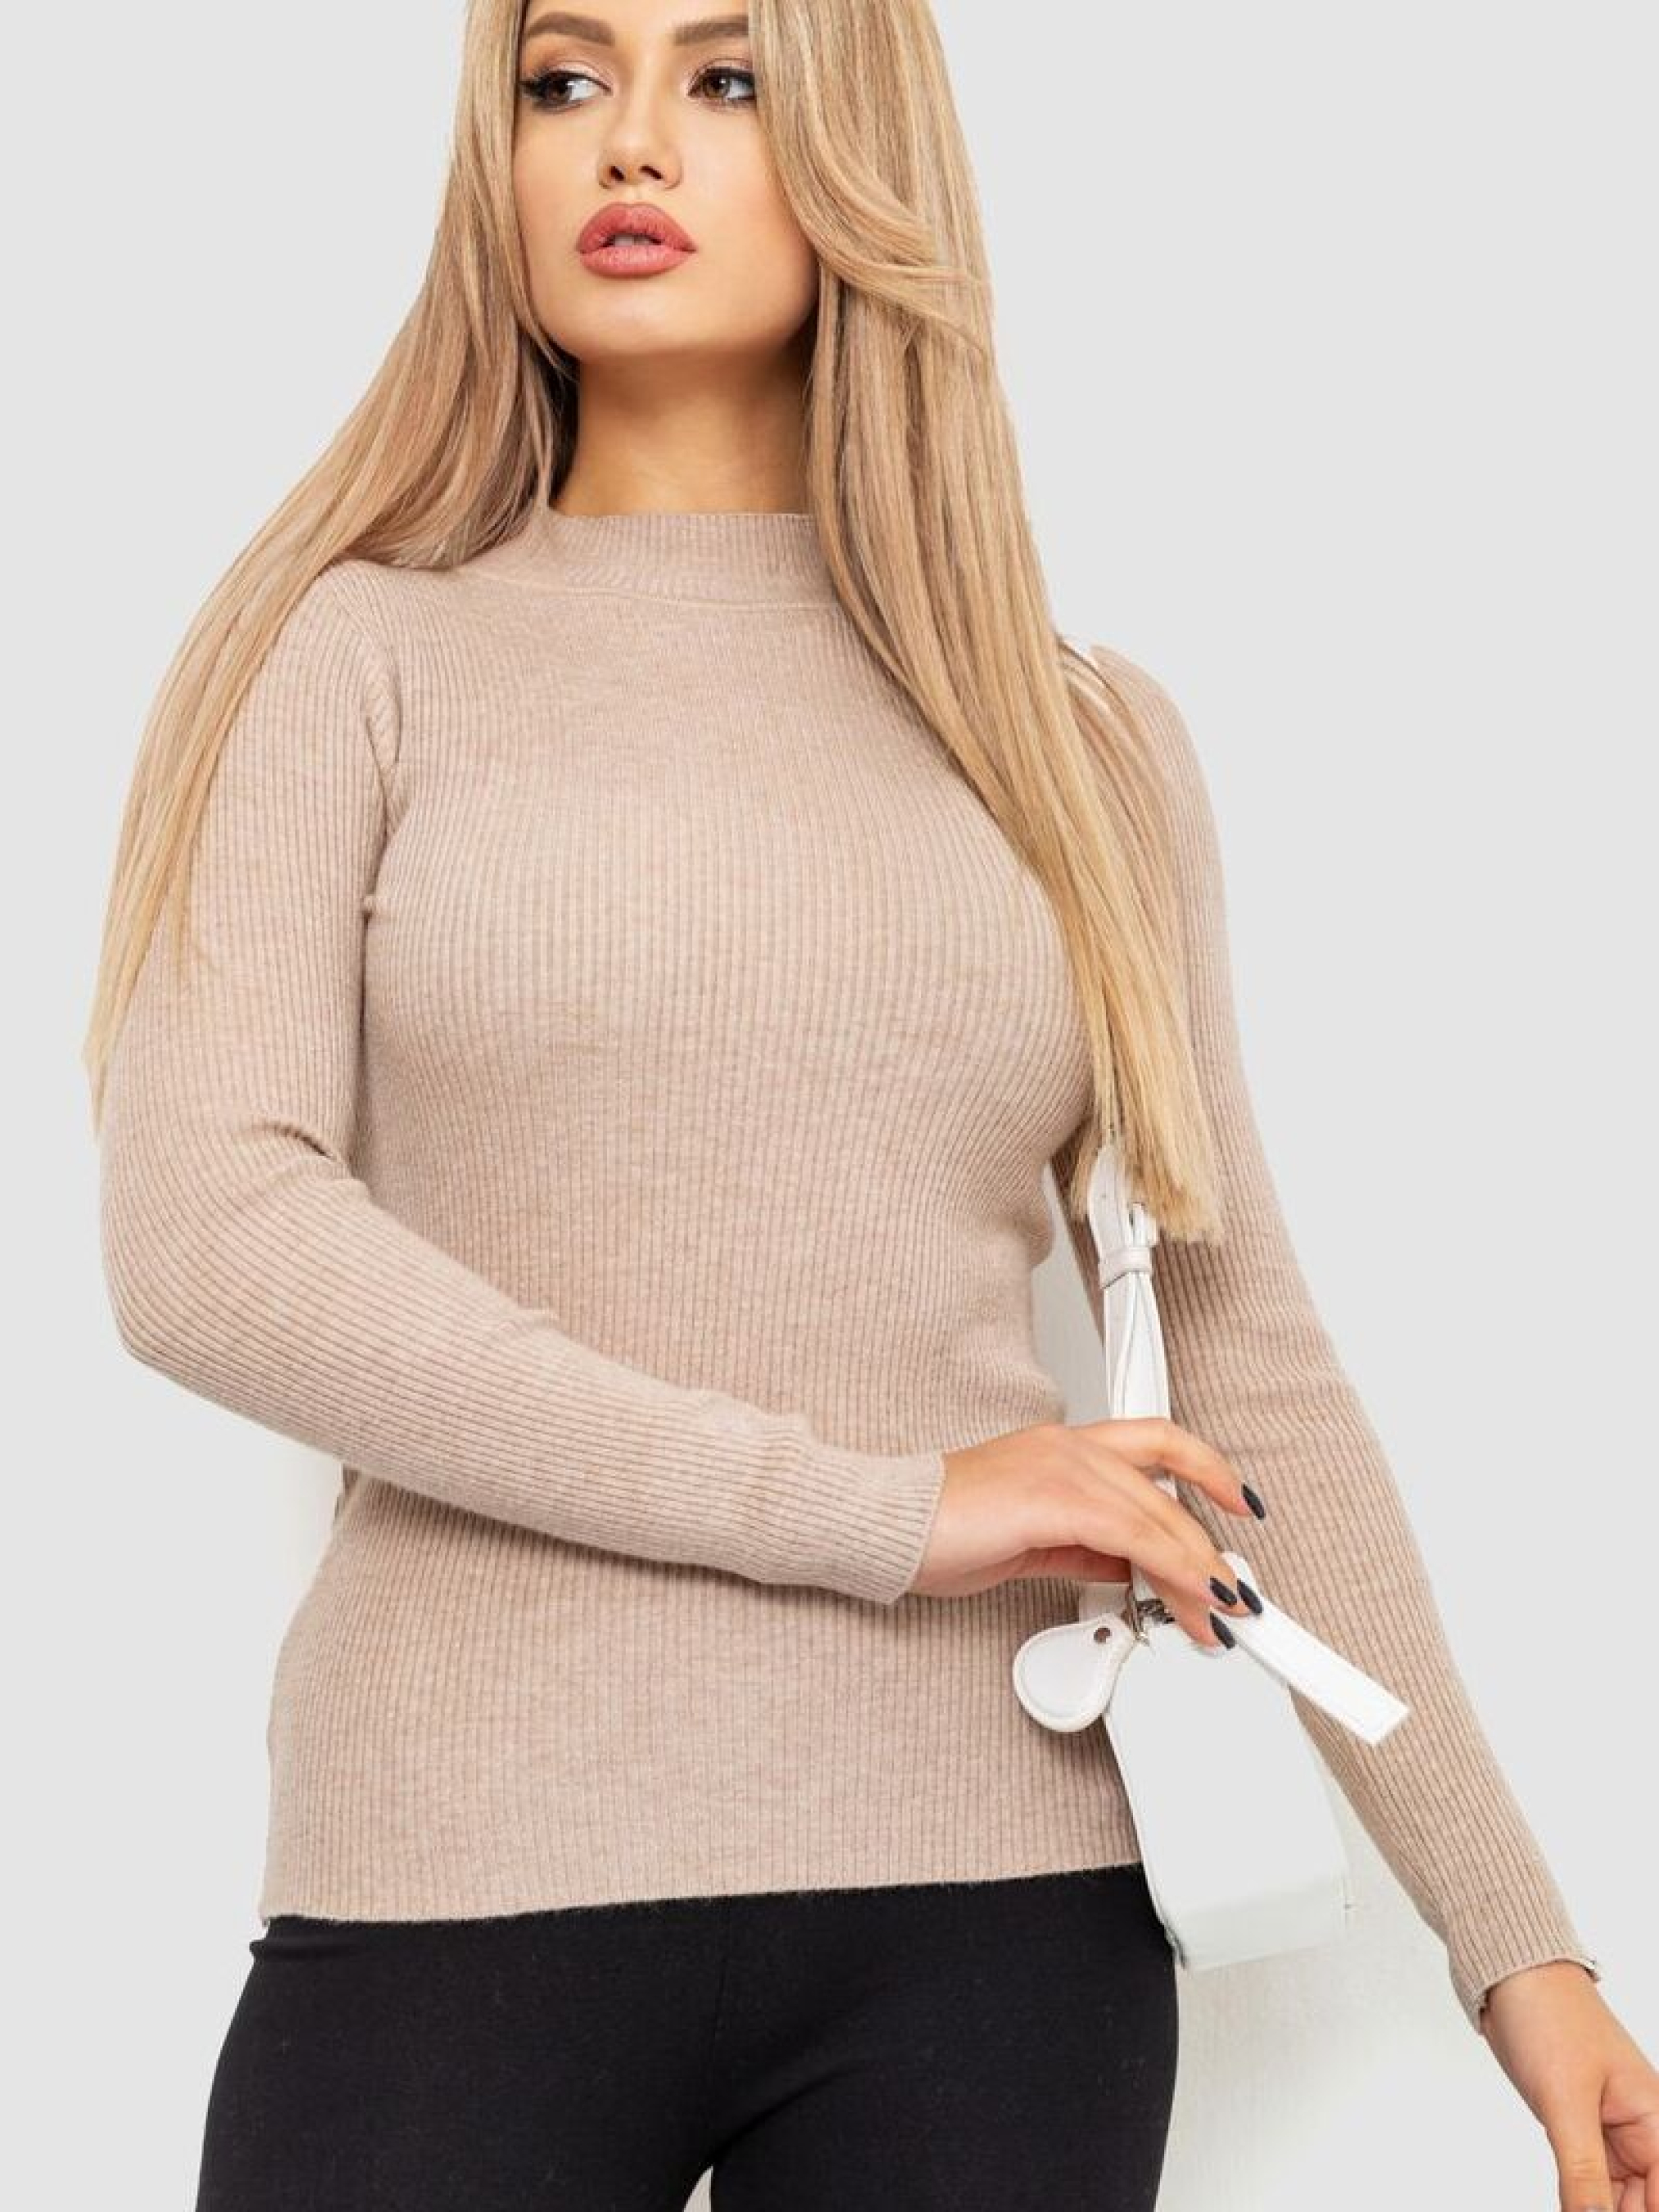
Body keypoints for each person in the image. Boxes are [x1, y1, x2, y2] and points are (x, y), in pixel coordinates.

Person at [84, 2, 1657, 2208]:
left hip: (996, 1921)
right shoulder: (344, 654)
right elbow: (206, 1240)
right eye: (562, 79)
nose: (629, 142)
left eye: (726, 79)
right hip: (461, 1872)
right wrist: (886, 1511)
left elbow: (1241, 1354)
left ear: (865, 154)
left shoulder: (1076, 742)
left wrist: (1518, 1947)